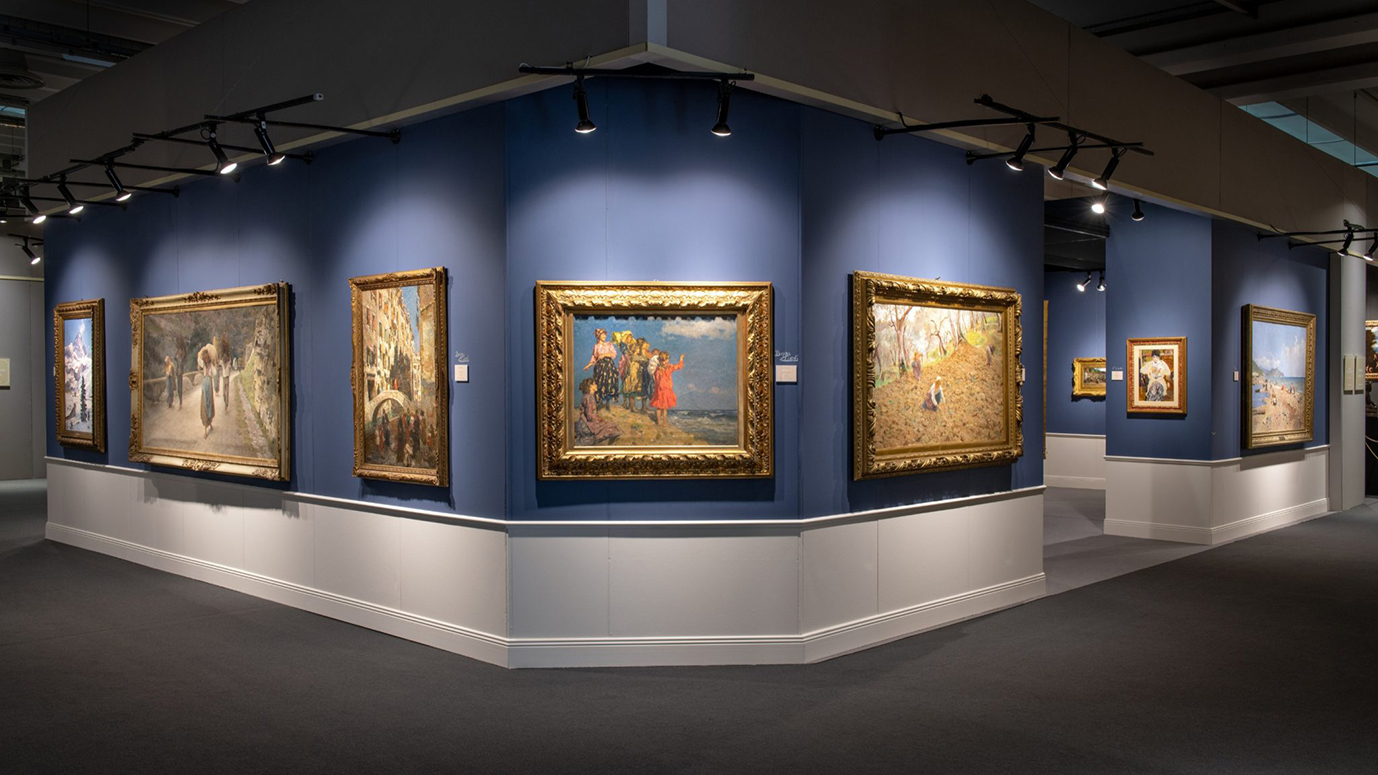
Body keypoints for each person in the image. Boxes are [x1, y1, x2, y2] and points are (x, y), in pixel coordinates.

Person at [582, 328, 621, 410]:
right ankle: (600, 403)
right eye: (602, 335)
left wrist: (604, 355)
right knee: (599, 383)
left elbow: (614, 354)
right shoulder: (596, 346)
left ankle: (607, 403)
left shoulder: (609, 344)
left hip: (608, 366)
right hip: (599, 367)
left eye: (605, 335)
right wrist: (588, 365)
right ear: (598, 336)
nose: (604, 336)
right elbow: (594, 358)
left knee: (609, 383)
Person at [574, 378, 620, 445]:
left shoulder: (588, 396)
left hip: (584, 423)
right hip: (586, 425)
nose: (596, 385)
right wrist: (599, 420)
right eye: (594, 384)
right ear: (590, 386)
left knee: (612, 426)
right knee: (613, 429)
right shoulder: (589, 398)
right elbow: (590, 416)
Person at [650, 352, 685, 428]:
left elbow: (656, 379)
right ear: (667, 360)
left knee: (659, 408)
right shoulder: (669, 367)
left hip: (659, 389)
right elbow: (679, 366)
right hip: (665, 389)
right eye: (666, 359)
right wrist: (681, 359)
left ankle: (659, 423)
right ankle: (664, 423)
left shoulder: (657, 369)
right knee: (664, 408)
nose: (666, 361)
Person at [198, 347, 217, 438]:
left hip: (209, 384)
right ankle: (206, 427)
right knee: (205, 404)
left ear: (208, 358)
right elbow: (199, 360)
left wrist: (213, 366)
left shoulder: (211, 366)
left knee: (209, 403)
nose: (205, 360)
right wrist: (202, 350)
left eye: (207, 358)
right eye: (204, 358)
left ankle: (209, 423)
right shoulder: (204, 365)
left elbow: (215, 373)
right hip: (205, 384)